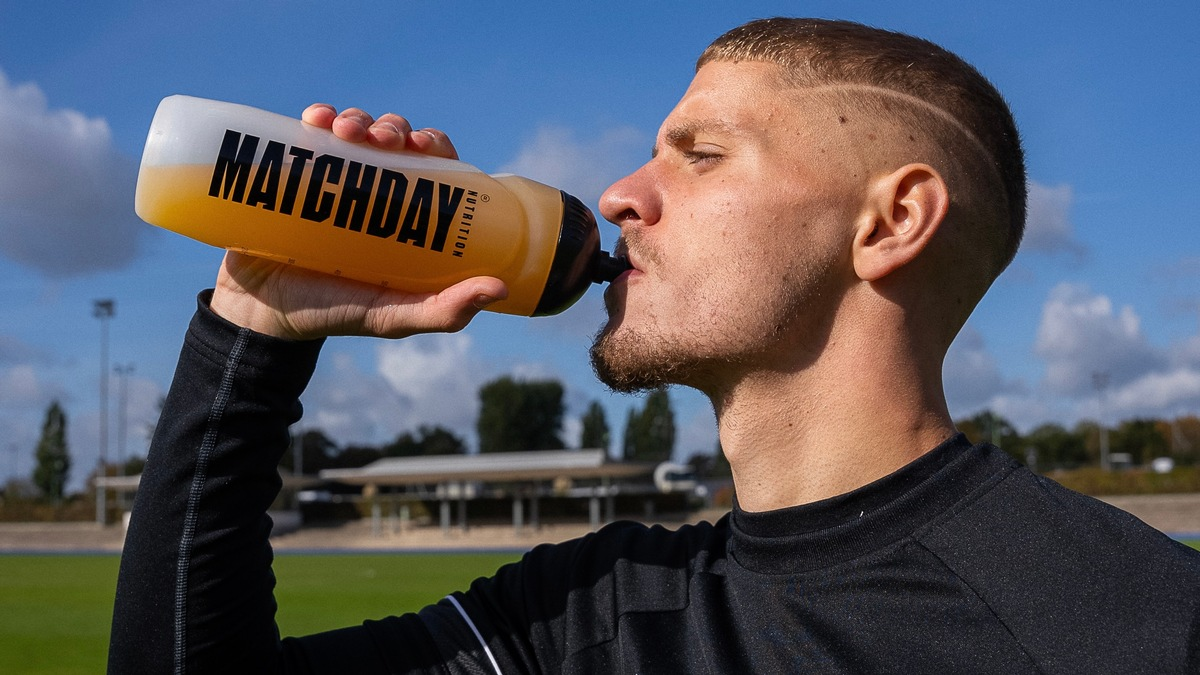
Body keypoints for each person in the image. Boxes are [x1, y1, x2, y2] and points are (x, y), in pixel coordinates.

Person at [109, 17, 1200, 674]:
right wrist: (256, 327)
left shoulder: (1137, 622)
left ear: (891, 222)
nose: (621, 195)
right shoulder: (597, 612)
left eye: (702, 155)